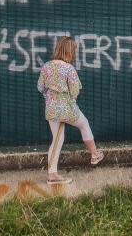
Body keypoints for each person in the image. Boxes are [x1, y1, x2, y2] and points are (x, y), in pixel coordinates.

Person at [37, 36, 104, 185]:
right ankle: (94, 154)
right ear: (70, 51)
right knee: (84, 124)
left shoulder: (46, 66)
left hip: (52, 109)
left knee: (57, 139)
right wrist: (68, 99)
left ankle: (52, 174)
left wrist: (50, 97)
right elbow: (75, 91)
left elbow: (40, 87)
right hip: (67, 109)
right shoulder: (69, 68)